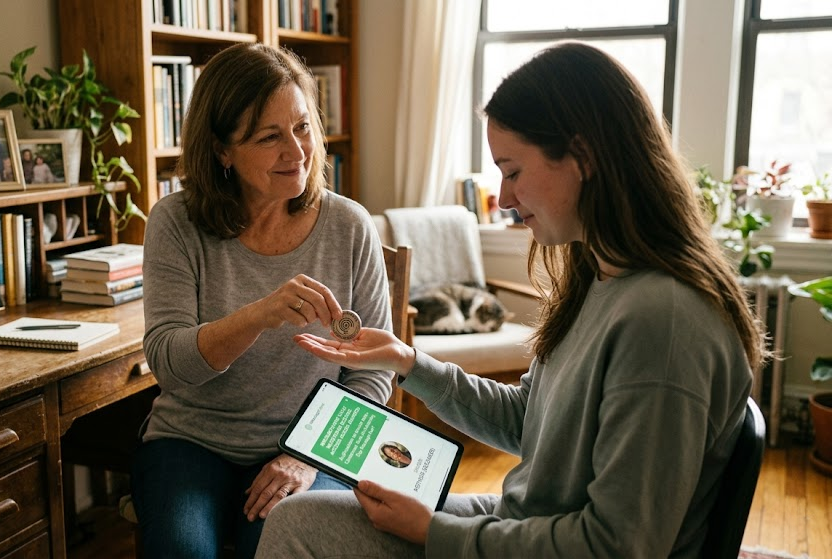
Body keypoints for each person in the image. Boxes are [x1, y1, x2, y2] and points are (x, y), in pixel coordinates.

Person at [257, 42, 768, 558]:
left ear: (583, 157)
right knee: (298, 519)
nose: (502, 198)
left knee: (299, 531)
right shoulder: (600, 277)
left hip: (548, 538)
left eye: (513, 170)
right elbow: (530, 424)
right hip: (526, 519)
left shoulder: (663, 321)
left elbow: (617, 546)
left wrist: (434, 533)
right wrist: (407, 361)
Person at [131, 42, 395, 559]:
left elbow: (373, 373)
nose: (296, 152)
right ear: (222, 150)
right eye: (270, 136)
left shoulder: (349, 226)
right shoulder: (175, 222)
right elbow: (168, 364)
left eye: (302, 128)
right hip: (190, 443)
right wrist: (259, 315)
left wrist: (308, 456)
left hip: (307, 447)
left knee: (278, 549)